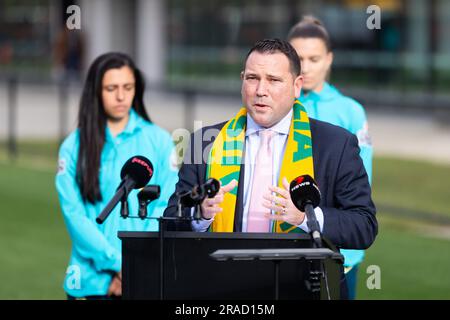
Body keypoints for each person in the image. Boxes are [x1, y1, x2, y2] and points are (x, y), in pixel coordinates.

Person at [163, 39, 377, 299]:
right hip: (222, 289)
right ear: (242, 81)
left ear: (296, 86)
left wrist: (305, 218)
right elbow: (170, 222)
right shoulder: (206, 141)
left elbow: (363, 225)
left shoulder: (336, 144)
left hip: (304, 288)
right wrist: (200, 215)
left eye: (274, 80)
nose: (260, 90)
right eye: (252, 78)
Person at [55, 52, 178, 299]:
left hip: (143, 275)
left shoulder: (160, 141)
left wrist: (134, 263)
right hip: (90, 280)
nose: (121, 96)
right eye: (111, 88)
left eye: (127, 87)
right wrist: (116, 264)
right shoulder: (73, 146)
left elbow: (166, 206)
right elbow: (74, 215)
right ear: (96, 91)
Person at [287, 16, 373, 299]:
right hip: (286, 243)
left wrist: (346, 244)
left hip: (339, 248)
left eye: (314, 58)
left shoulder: (350, 111)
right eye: (299, 58)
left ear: (329, 59)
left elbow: (362, 183)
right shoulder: (279, 104)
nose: (307, 67)